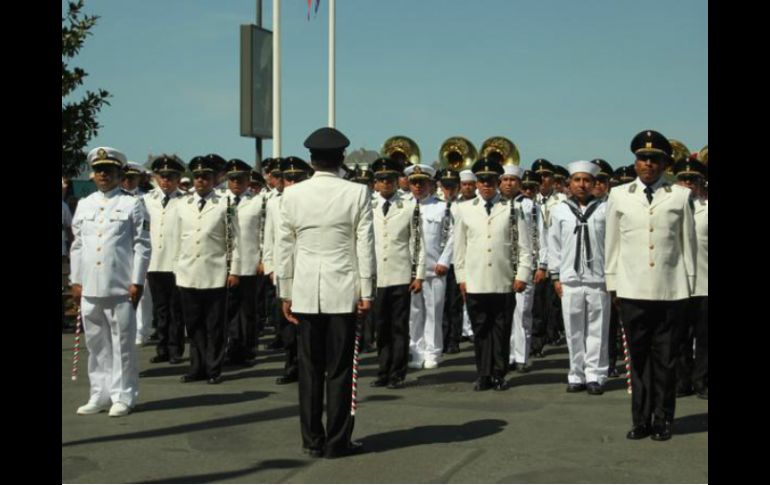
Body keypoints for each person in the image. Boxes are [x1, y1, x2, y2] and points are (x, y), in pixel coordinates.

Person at [276, 127, 375, 459]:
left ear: (311, 159)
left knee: (309, 369)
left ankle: (311, 439)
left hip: (305, 289)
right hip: (343, 288)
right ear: (341, 158)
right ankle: (337, 440)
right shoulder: (357, 193)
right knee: (340, 368)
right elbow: (364, 243)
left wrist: (285, 291)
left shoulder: (291, 195)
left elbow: (284, 247)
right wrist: (368, 290)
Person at [605, 130, 697, 441]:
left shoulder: (680, 195)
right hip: (632, 291)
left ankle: (664, 419)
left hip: (670, 290)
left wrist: (689, 287)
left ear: (664, 164)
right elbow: (613, 245)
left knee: (666, 359)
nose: (648, 164)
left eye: (655, 159)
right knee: (638, 358)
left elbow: (688, 246)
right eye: (643, 159)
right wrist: (613, 285)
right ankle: (640, 419)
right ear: (635, 162)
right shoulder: (619, 195)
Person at [70, 146, 151, 417]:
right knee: (97, 345)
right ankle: (99, 394)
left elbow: (142, 245)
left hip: (119, 286)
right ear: (93, 175)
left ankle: (123, 395)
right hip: (91, 286)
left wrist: (137, 281)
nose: (103, 174)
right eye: (99, 170)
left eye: (109, 170)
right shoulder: (84, 204)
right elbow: (78, 245)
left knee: (123, 345)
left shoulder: (132, 204)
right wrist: (75, 280)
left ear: (119, 173)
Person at [453, 158, 533, 391]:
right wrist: (462, 278)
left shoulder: (511, 209)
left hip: (503, 279)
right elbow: (460, 248)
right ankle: (483, 373)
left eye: (490, 181)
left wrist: (522, 275)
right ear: (476, 183)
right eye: (482, 181)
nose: (486, 185)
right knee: (480, 330)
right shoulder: (464, 209)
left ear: (497, 182)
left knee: (501, 329)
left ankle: (499, 373)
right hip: (476, 280)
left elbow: (524, 247)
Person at [175, 155, 241, 385]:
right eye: (197, 176)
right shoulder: (182, 204)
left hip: (215, 272)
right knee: (193, 324)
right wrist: (176, 268)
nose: (201, 180)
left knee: (214, 325)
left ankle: (214, 368)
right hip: (188, 272)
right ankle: (197, 367)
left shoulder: (225, 204)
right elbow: (176, 239)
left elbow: (235, 240)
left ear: (214, 179)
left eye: (206, 176)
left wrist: (234, 271)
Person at [548, 161, 611, 395]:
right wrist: (555, 275)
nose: (582, 185)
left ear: (595, 184)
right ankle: (576, 373)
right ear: (569, 183)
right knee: (573, 328)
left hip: (598, 278)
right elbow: (553, 244)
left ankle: (596, 373)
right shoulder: (560, 210)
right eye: (577, 180)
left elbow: (613, 244)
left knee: (598, 327)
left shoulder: (605, 209)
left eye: (587, 180)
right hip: (570, 277)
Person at [370, 157, 425, 389]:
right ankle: (383, 370)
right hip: (376, 276)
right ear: (375, 183)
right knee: (381, 327)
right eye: (381, 179)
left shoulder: (409, 206)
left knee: (399, 327)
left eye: (390, 179)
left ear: (397, 180)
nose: (386, 183)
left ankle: (397, 373)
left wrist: (419, 274)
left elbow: (418, 243)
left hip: (401, 273)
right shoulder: (367, 206)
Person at [405, 163, 453, 370]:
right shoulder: (404, 206)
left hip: (434, 268)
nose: (417, 186)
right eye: (414, 182)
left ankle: (433, 351)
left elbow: (453, 236)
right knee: (414, 313)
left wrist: (445, 260)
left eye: (422, 182)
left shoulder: (441, 207)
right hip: (409, 269)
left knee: (434, 311)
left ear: (430, 184)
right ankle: (416, 350)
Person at [223, 158, 266, 365]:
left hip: (250, 262)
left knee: (247, 311)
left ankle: (247, 349)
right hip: (224, 263)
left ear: (248, 179)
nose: (236, 183)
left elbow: (263, 232)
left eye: (240, 178)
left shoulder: (258, 201)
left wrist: (263, 258)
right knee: (227, 310)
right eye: (232, 179)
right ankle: (231, 347)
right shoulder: (220, 200)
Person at [145, 155, 187, 364]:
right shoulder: (146, 200)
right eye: (162, 176)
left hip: (175, 262)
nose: (166, 180)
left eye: (170, 176)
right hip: (154, 262)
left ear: (178, 178)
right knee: (160, 308)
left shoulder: (184, 200)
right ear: (156, 177)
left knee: (175, 309)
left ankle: (175, 349)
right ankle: (162, 347)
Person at [673, 159, 708, 400]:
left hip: (705, 282)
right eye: (683, 179)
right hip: (677, 283)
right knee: (679, 337)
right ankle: (682, 381)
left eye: (692, 179)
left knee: (705, 338)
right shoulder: (670, 208)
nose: (687, 184)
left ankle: (702, 381)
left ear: (700, 182)